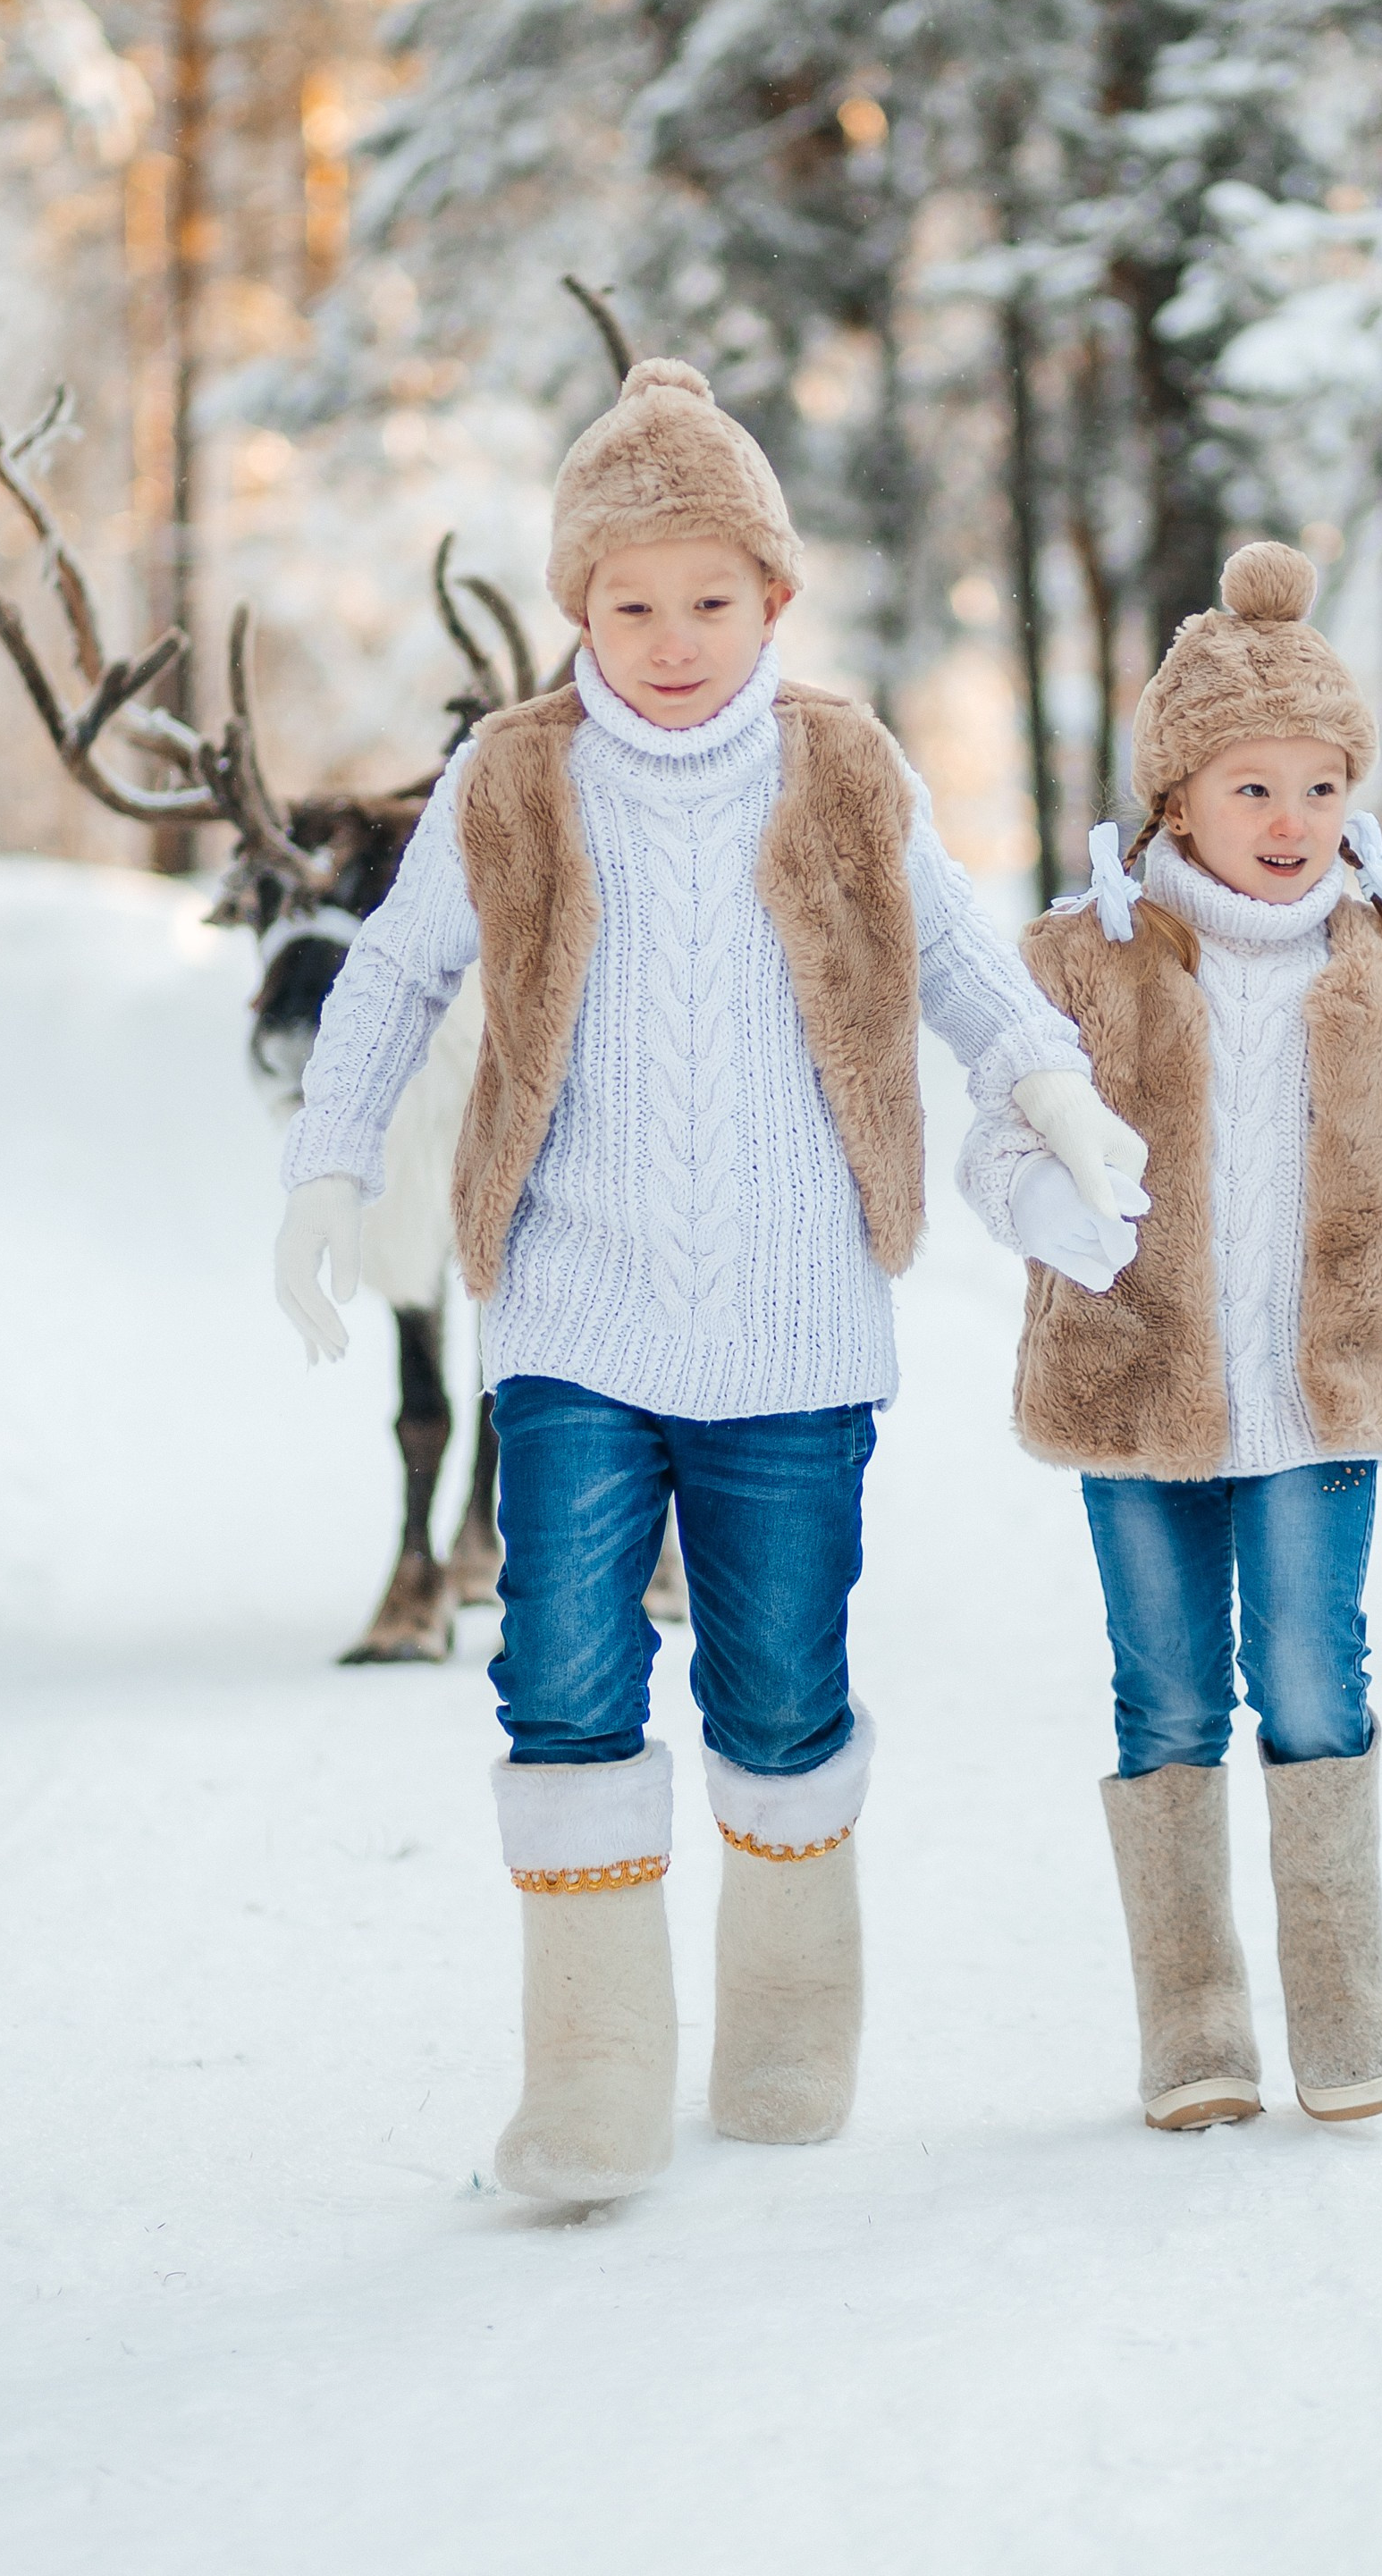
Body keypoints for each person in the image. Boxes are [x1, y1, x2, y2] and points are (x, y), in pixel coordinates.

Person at [274, 356, 1138, 2202]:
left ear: (773, 597)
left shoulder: (840, 765)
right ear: (577, 609)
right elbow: (395, 976)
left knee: (777, 1679)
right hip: (571, 1315)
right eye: (630, 605)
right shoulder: (516, 777)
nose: (671, 643)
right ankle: (591, 2073)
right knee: (562, 1667)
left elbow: (961, 964)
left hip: (794, 1324)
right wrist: (326, 1166)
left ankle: (786, 2019)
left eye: (709, 602)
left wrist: (1053, 1090)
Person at [960, 539, 1382, 2131]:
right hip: (1136, 1392)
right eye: (1252, 789)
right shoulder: (1083, 957)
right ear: (1177, 798)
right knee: (1163, 1695)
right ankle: (1194, 2020)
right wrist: (1047, 1203)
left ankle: (1341, 2001)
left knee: (1306, 1674)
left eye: (1318, 789)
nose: (1290, 823)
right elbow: (997, 1136)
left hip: (1318, 1393)